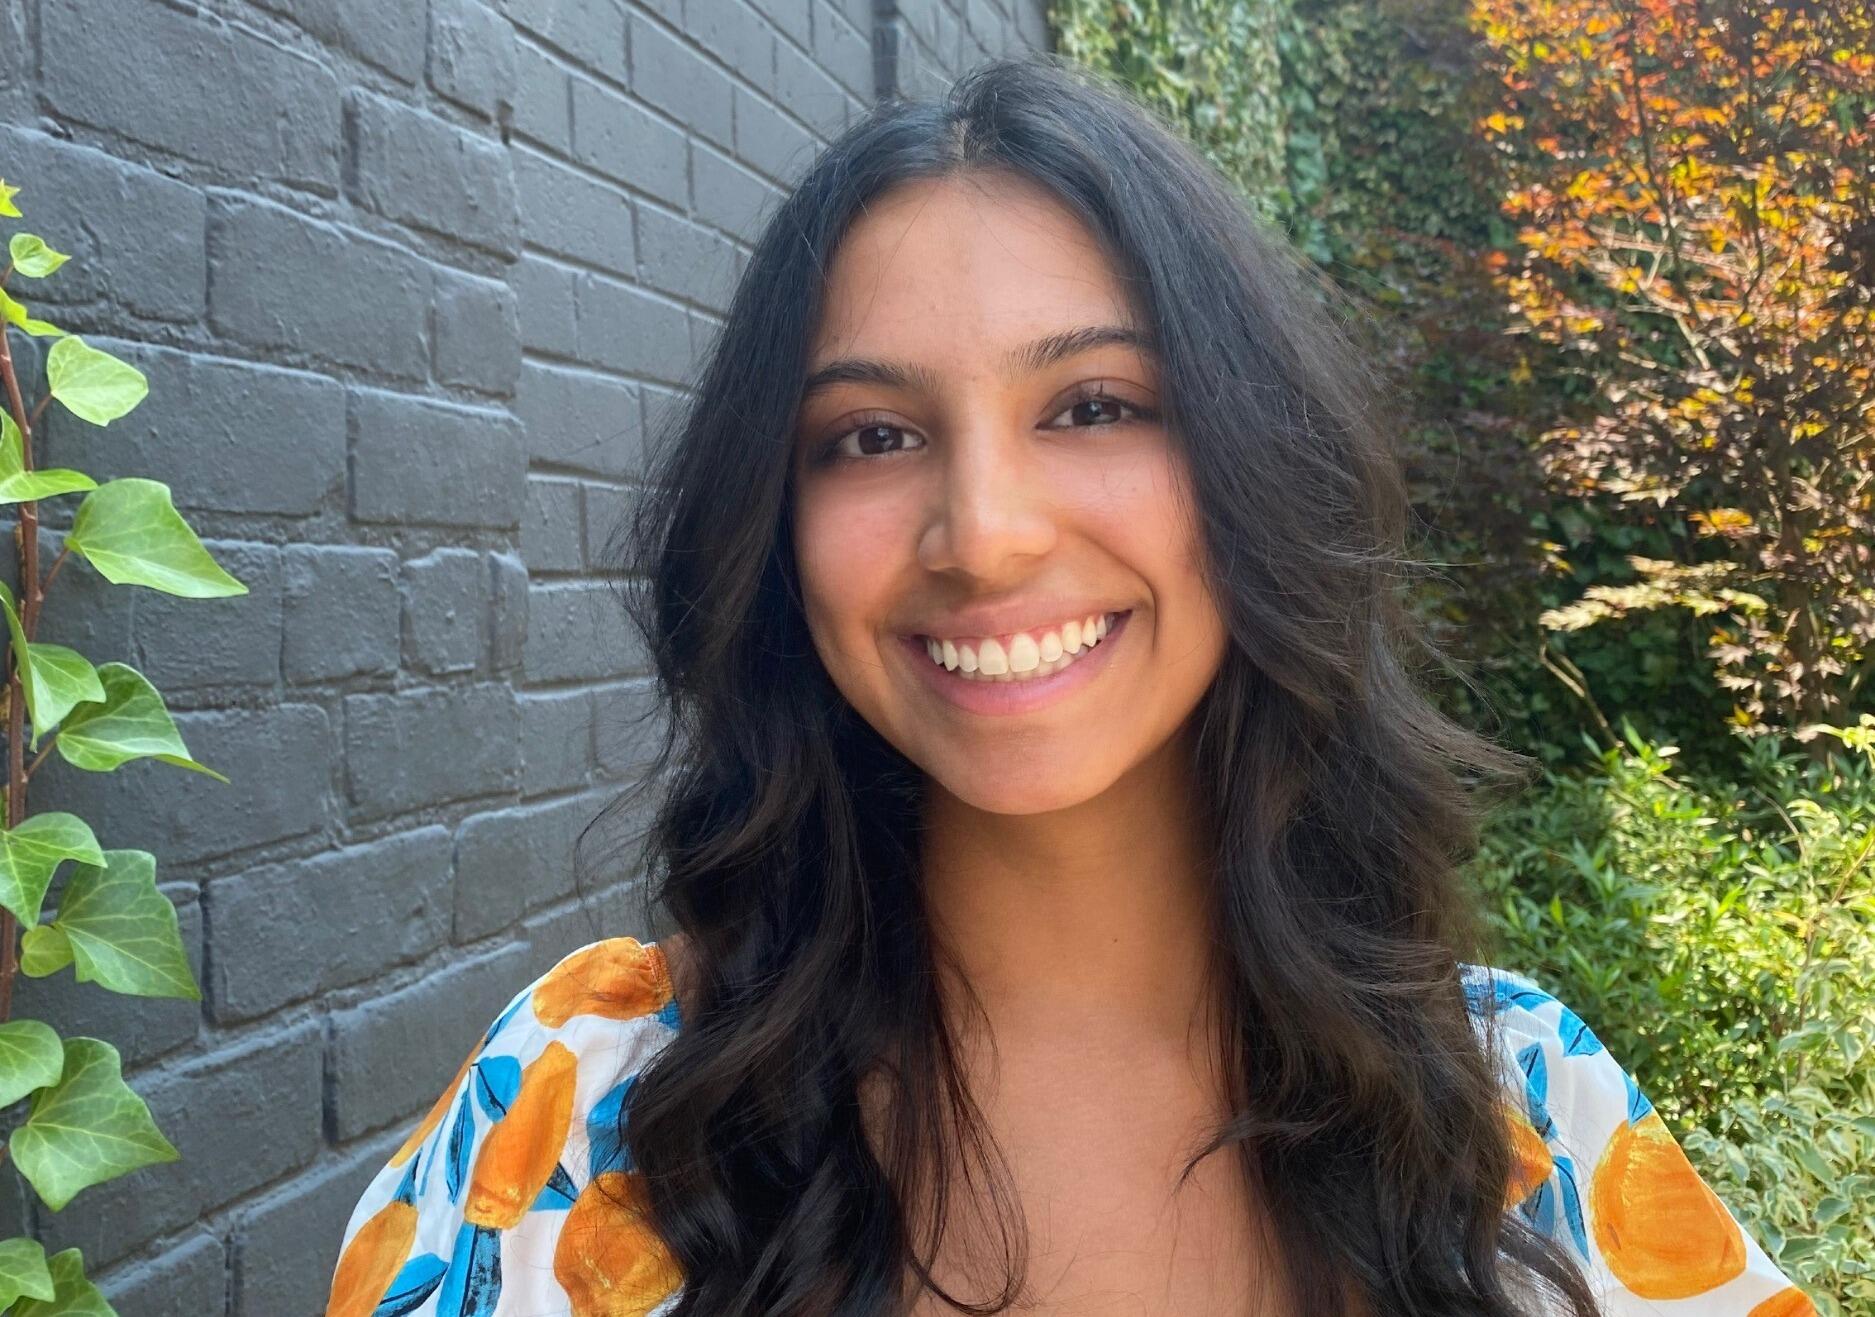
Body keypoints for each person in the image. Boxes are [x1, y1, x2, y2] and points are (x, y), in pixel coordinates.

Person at [324, 54, 1813, 1317]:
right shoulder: (579, 1111)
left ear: (1253, 462)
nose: (984, 533)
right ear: (773, 527)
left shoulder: (1524, 1116)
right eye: (869, 435)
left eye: (1095, 405)